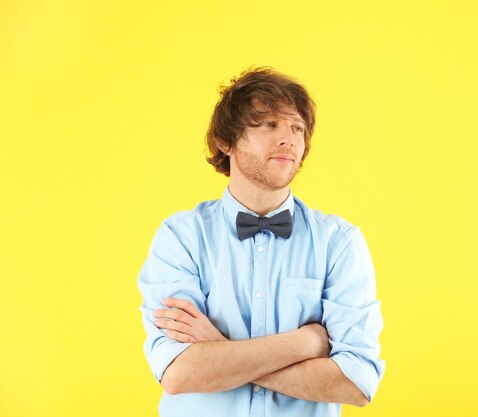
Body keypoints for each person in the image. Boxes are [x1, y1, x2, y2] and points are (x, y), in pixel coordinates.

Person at [137, 67, 385, 417]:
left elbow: (356, 382)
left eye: (297, 127)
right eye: (268, 125)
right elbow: (179, 372)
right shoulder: (181, 237)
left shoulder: (339, 243)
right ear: (226, 141)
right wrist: (305, 343)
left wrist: (220, 350)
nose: (289, 139)